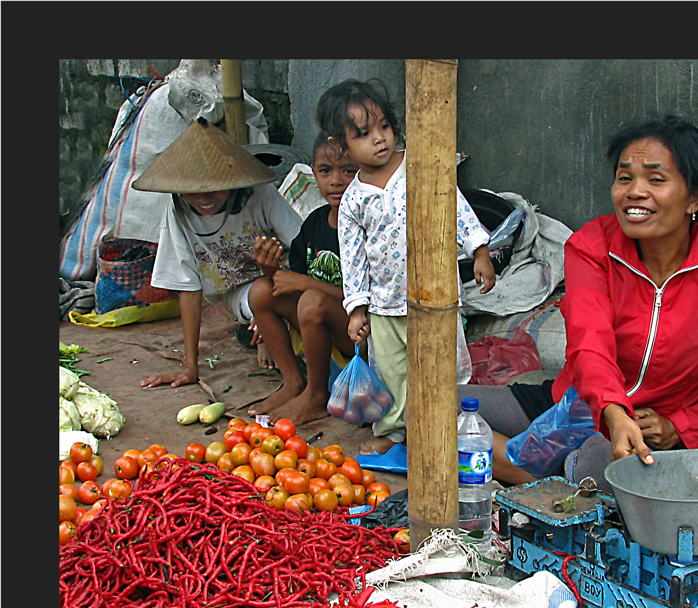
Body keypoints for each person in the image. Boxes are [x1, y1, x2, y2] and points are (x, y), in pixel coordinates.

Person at [459, 114, 698, 489]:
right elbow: (589, 342)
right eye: (625, 177)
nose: (634, 191)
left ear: (694, 198)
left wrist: (682, 426)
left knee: (607, 467)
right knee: (432, 412)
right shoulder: (592, 247)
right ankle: (550, 478)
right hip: (576, 404)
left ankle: (551, 476)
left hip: (652, 433)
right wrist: (613, 410)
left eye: (656, 179)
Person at [316, 78, 496, 454]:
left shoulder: (418, 166)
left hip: (435, 297)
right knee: (392, 374)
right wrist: (357, 309)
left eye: (384, 126)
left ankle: (450, 421)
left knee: (446, 366)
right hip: (383, 307)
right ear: (341, 144)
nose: (379, 138)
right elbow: (353, 259)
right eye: (363, 133)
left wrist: (478, 250)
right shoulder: (352, 202)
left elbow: (455, 206)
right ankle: (395, 429)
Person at [135, 118, 303, 389]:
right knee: (258, 297)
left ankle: (269, 330)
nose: (204, 199)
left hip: (284, 276)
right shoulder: (178, 212)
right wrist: (191, 367)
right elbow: (187, 286)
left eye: (215, 189)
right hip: (240, 291)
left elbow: (302, 247)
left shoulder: (259, 194)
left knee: (284, 300)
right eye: (193, 192)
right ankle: (263, 327)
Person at [245, 131, 359, 423]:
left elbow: (370, 301)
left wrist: (307, 285)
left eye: (348, 170)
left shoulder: (367, 227)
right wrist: (270, 269)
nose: (335, 180)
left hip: (358, 334)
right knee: (260, 290)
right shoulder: (315, 222)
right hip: (320, 328)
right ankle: (294, 382)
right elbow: (291, 282)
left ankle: (317, 396)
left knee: (311, 300)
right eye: (325, 171)